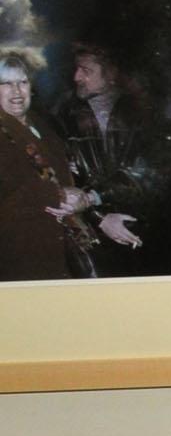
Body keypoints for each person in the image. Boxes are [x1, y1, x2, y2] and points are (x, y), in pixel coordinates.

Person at [0, 48, 117, 278]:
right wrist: (57, 195)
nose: (16, 91)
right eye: (6, 84)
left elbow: (69, 180)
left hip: (64, 249)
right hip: (22, 256)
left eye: (22, 82)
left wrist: (98, 215)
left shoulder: (43, 125)